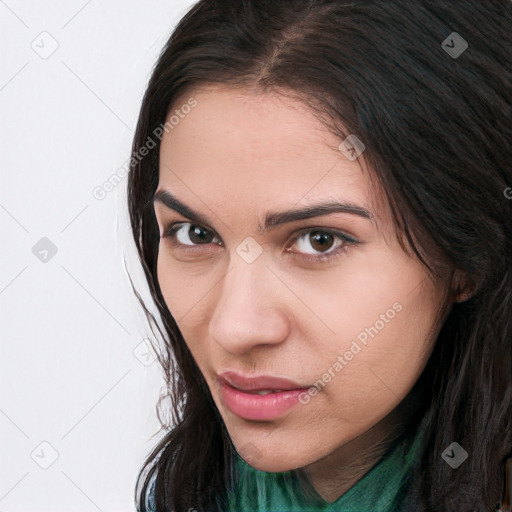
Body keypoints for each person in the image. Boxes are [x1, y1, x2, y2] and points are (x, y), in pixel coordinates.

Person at [127, 1, 512, 511]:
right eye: (196, 233)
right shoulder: (188, 494)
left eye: (319, 240)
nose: (234, 328)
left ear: (467, 256)